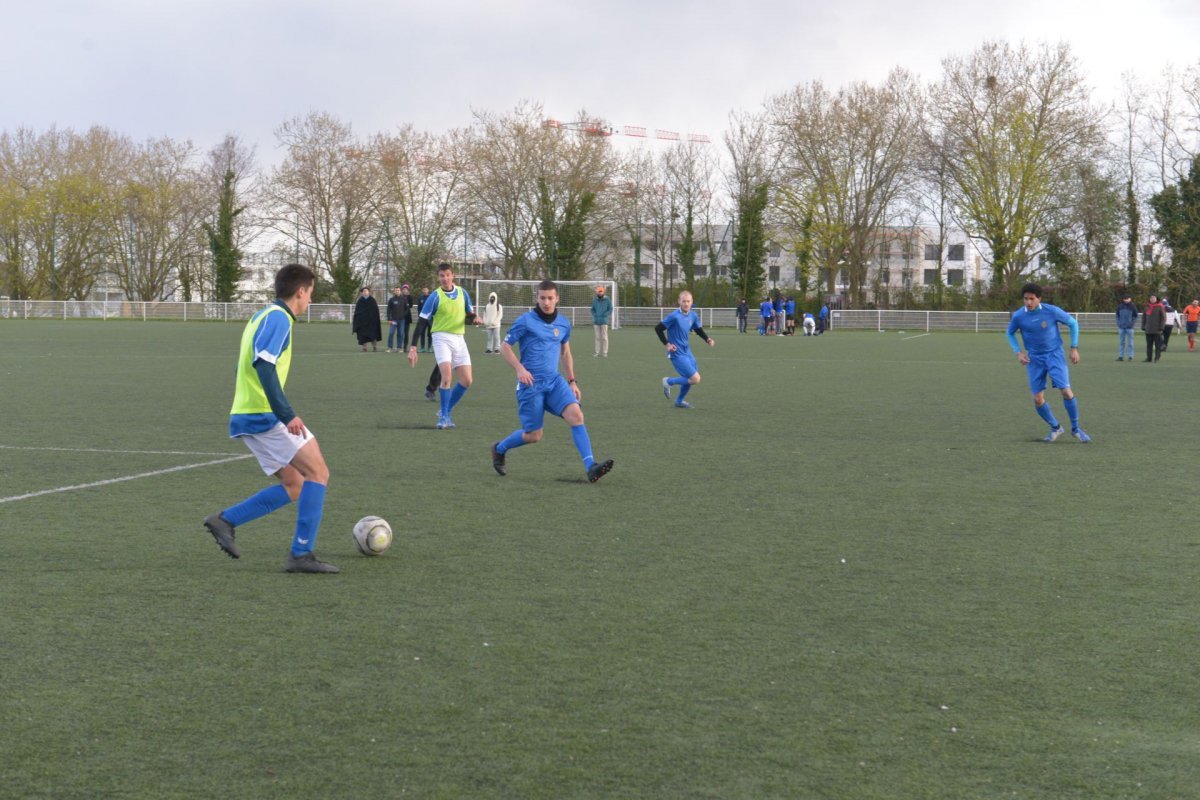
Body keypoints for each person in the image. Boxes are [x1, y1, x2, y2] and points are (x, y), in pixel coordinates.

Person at [202, 263, 338, 573]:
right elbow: (264, 366)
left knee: (295, 484)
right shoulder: (279, 319)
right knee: (319, 473)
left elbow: (244, 367)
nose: (310, 302)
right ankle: (300, 555)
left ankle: (225, 521)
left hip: (247, 413)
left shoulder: (261, 316)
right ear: (300, 291)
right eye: (311, 294)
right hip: (264, 415)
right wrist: (286, 414)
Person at [490, 280, 614, 483]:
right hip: (531, 384)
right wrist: (520, 369)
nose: (546, 302)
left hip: (554, 381)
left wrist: (572, 380)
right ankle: (499, 448)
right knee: (534, 435)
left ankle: (590, 466)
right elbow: (505, 347)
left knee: (576, 415)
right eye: (542, 298)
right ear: (537, 298)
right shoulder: (525, 320)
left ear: (557, 298)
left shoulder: (564, 323)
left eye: (550, 298)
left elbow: (566, 353)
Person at [1005, 282, 1089, 443]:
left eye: (1032, 299)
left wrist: (1074, 348)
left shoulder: (1051, 311)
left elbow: (1073, 323)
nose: (1028, 302)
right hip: (1034, 358)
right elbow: (1009, 333)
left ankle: (1076, 429)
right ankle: (1056, 427)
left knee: (1066, 391)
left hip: (1054, 355)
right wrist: (1018, 353)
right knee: (1037, 399)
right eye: (1025, 299)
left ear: (1039, 299)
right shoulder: (1019, 316)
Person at [408, 263, 480, 429]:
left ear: (453, 275)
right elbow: (421, 322)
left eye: (447, 275)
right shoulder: (435, 296)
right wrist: (413, 348)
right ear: (438, 277)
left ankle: (445, 411)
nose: (445, 278)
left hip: (459, 338)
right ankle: (444, 417)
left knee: (467, 380)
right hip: (441, 337)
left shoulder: (463, 293)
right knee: (447, 376)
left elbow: (469, 315)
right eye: (442, 275)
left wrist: (475, 318)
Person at [656, 290, 715, 409]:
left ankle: (679, 401)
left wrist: (707, 339)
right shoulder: (674, 316)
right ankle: (668, 382)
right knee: (695, 379)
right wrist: (667, 345)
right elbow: (658, 329)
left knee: (691, 378)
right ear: (679, 302)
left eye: (688, 301)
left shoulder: (693, 315)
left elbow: (698, 329)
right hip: (676, 352)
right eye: (684, 301)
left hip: (687, 351)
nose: (686, 304)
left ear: (691, 302)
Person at [352, 286, 382, 351]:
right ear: (362, 293)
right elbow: (357, 312)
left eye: (366, 291)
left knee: (373, 335)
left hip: (371, 322)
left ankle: (374, 347)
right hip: (362, 322)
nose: (365, 292)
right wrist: (358, 319)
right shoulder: (360, 301)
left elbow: (375, 311)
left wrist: (374, 320)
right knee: (363, 335)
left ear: (369, 292)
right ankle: (364, 347)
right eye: (364, 291)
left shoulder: (372, 300)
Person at [386, 285, 412, 353]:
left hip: (402, 320)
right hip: (393, 320)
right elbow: (388, 310)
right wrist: (389, 318)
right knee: (391, 333)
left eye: (398, 290)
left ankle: (399, 348)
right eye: (396, 290)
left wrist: (403, 315)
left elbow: (407, 309)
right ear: (394, 291)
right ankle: (389, 347)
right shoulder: (391, 299)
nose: (397, 291)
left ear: (400, 291)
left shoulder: (404, 299)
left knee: (400, 334)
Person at [591, 284, 613, 357]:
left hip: (604, 321)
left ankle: (604, 352)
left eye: (601, 291)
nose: (600, 293)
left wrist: (606, 314)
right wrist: (594, 314)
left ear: (603, 292)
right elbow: (592, 309)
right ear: (597, 292)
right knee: (597, 337)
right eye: (598, 291)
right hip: (596, 321)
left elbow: (610, 309)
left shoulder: (607, 300)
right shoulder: (594, 300)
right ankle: (597, 352)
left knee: (604, 337)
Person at [1114, 293, 1138, 361]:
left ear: (1130, 299)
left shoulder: (1133, 306)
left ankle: (1130, 356)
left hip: (1130, 328)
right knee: (1121, 343)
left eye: (1127, 298)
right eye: (1125, 299)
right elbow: (1117, 316)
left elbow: (1135, 316)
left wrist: (1131, 324)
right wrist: (1118, 323)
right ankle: (1121, 356)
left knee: (1130, 343)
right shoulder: (1120, 306)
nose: (1126, 300)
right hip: (1121, 327)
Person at [1142, 295, 1165, 362]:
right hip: (1148, 329)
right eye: (1151, 297)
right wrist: (1143, 326)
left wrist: (1161, 328)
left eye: (1154, 298)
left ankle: (1157, 358)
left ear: (1156, 299)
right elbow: (1144, 317)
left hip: (1157, 330)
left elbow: (1163, 318)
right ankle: (1149, 358)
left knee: (1158, 345)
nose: (1152, 299)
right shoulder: (1146, 307)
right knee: (1149, 345)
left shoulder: (1160, 306)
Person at [414, 287, 433, 352]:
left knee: (430, 334)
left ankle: (429, 348)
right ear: (422, 291)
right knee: (422, 333)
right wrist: (420, 316)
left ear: (428, 290)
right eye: (424, 290)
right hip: (422, 319)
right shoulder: (420, 298)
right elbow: (419, 308)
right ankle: (422, 348)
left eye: (426, 290)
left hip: (430, 319)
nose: (425, 291)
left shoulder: (431, 297)